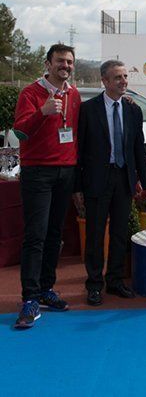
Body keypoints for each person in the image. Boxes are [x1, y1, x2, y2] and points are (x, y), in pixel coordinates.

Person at [12, 43, 81, 329]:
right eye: (60, 61)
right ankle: (29, 297)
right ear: (48, 63)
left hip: (65, 172)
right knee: (36, 235)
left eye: (69, 62)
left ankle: (45, 289)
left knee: (55, 235)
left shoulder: (74, 94)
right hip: (37, 172)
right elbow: (20, 131)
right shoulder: (31, 93)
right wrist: (42, 111)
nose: (65, 66)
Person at [75, 60, 146, 306]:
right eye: (118, 78)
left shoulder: (133, 110)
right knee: (96, 234)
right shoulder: (88, 110)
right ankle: (94, 284)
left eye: (125, 77)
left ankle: (116, 280)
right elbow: (79, 150)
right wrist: (77, 187)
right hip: (97, 180)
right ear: (105, 81)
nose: (124, 81)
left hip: (124, 178)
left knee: (120, 233)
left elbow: (138, 148)